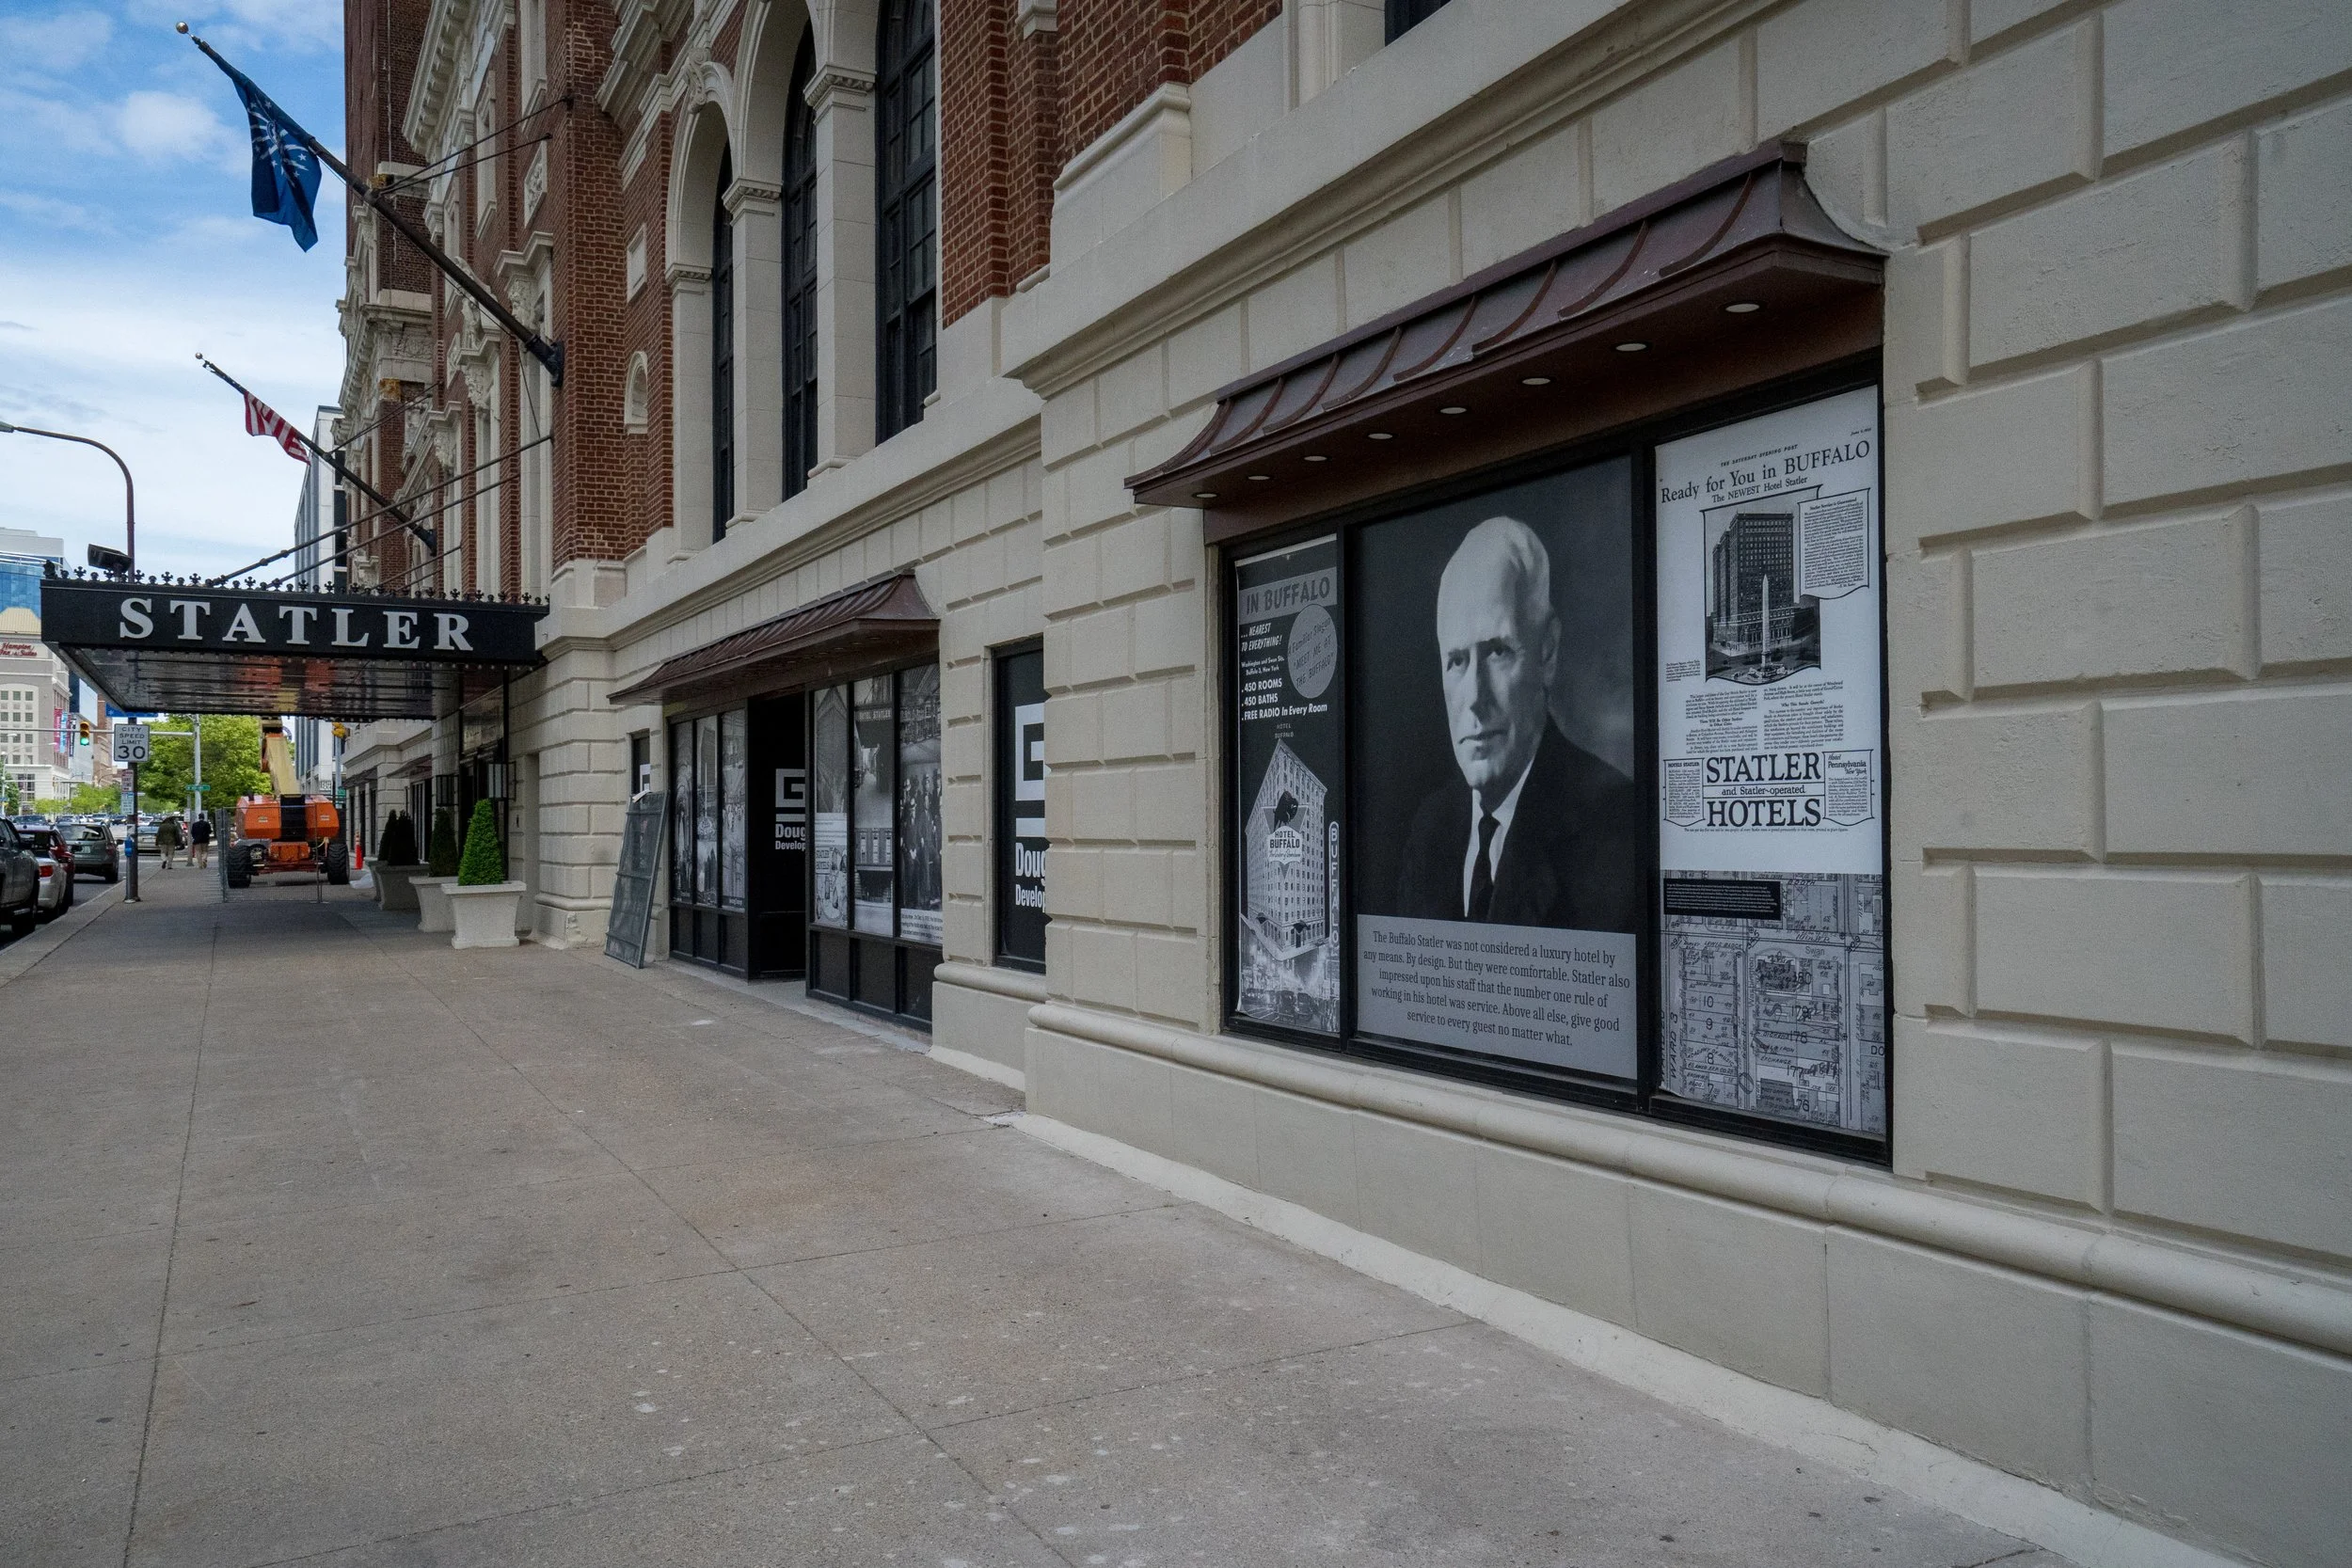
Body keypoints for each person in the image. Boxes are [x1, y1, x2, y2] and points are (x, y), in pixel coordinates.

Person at [1393, 515, 1642, 933]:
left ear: (1547, 652)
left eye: (1497, 653)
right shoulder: (1432, 827)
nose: (1474, 698)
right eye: (1456, 661)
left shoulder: (1613, 828)